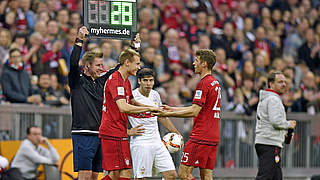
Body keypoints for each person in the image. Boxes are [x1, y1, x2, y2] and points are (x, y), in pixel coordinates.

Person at [154, 49, 221, 180]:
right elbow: (196, 108)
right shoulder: (215, 82)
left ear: (204, 64)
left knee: (184, 174)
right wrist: (171, 109)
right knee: (206, 175)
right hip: (213, 135)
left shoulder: (203, 83)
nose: (193, 63)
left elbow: (194, 111)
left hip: (200, 135)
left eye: (196, 60)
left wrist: (170, 113)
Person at [99, 44, 161, 180]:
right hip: (113, 131)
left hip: (116, 131)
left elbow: (132, 102)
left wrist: (152, 109)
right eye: (137, 63)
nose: (139, 67)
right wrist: (149, 108)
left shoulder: (125, 80)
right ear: (127, 62)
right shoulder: (116, 80)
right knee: (126, 171)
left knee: (114, 174)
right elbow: (124, 107)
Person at [68, 26, 120, 180]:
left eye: (101, 65)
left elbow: (118, 69)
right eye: (98, 65)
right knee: (84, 176)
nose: (101, 68)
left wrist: (133, 46)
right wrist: (79, 40)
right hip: (83, 133)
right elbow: (72, 63)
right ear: (87, 66)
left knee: (94, 176)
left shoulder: (102, 81)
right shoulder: (77, 81)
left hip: (100, 135)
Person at [128, 68, 181, 180]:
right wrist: (128, 132)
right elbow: (118, 117)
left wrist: (176, 132)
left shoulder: (155, 94)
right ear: (139, 81)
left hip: (157, 141)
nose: (148, 84)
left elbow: (161, 116)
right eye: (145, 80)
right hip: (141, 142)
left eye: (151, 80)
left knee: (171, 175)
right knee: (141, 178)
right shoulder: (132, 97)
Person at [254, 71, 297, 180]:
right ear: (271, 84)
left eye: (285, 82)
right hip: (270, 143)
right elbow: (275, 121)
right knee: (265, 176)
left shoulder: (267, 98)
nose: (284, 84)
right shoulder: (273, 99)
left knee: (276, 177)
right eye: (280, 82)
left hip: (266, 142)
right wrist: (289, 124)